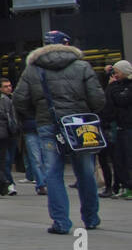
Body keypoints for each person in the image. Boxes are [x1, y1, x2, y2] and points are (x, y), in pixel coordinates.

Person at [13, 30, 105, 235]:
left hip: (48, 125)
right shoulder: (82, 66)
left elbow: (19, 99)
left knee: (53, 173)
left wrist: (38, 115)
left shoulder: (33, 69)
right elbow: (98, 99)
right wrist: (85, 111)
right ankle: (91, 218)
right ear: (67, 44)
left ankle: (61, 222)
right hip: (79, 124)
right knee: (85, 173)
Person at [107, 61, 132, 199]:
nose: (115, 75)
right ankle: (124, 185)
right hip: (120, 126)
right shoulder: (119, 86)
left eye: (117, 72)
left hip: (128, 126)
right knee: (119, 159)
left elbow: (121, 100)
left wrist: (113, 86)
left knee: (128, 158)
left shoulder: (126, 87)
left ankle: (129, 186)